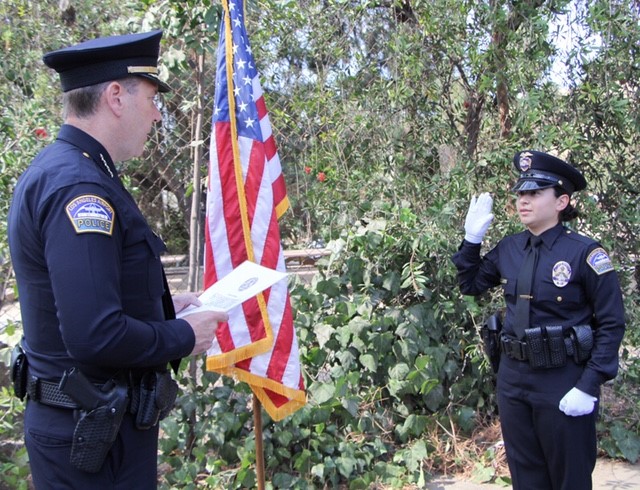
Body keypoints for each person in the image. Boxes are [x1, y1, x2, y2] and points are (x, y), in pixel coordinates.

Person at [7, 30, 228, 488]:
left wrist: (169, 307)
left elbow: (96, 296)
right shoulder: (80, 188)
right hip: (90, 441)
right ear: (115, 97)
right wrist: (182, 335)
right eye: (151, 98)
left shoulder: (69, 169)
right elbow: (94, 334)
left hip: (95, 428)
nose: (157, 113)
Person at [451, 150, 625, 490]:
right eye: (520, 193)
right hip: (514, 379)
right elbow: (470, 284)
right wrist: (471, 241)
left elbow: (611, 323)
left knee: (569, 479)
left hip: (563, 380)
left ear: (561, 201)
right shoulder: (510, 248)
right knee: (525, 477)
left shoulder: (585, 253)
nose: (523, 201)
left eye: (534, 193)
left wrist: (588, 386)